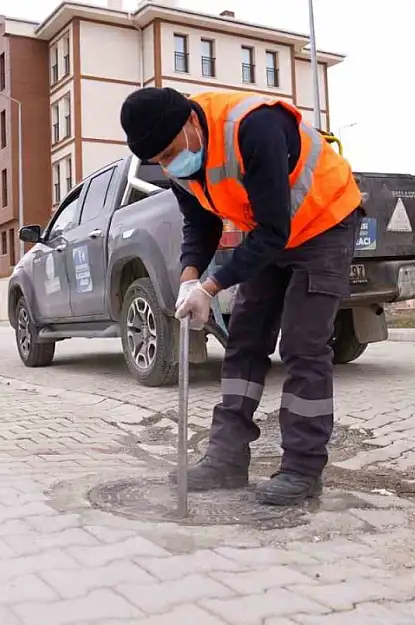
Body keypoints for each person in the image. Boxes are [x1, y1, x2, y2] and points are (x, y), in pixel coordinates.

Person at [119, 87, 362, 506]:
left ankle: (303, 470)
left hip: (324, 222)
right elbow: (200, 224)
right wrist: (189, 279)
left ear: (192, 122)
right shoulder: (177, 163)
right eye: (159, 160)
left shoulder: (253, 126)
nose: (169, 164)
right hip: (271, 234)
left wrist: (212, 288)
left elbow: (273, 231)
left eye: (172, 152)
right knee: (244, 341)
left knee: (303, 346)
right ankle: (226, 460)